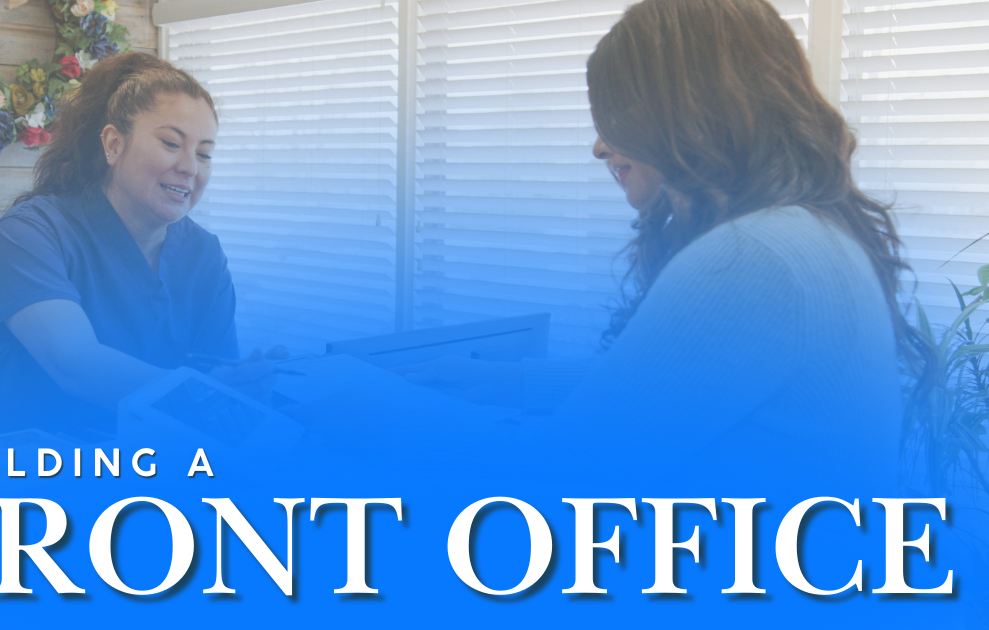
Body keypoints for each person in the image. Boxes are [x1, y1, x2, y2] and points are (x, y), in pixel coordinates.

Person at [397, 0, 933, 480]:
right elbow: (681, 386)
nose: (599, 147)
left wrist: (367, 410)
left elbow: (559, 474)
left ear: (688, 109)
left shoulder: (752, 257)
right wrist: (501, 380)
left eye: (615, 117)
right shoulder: (801, 233)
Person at [0, 53, 282, 441]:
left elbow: (218, 383)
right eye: (171, 143)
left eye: (204, 153)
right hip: (16, 474)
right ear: (112, 143)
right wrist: (204, 393)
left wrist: (245, 389)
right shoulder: (33, 231)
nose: (190, 167)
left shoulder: (203, 255)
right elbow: (76, 363)